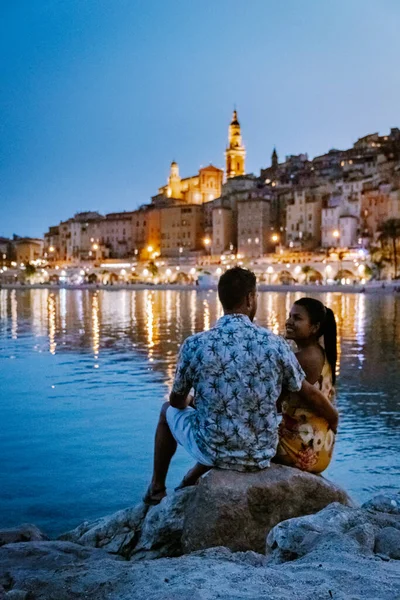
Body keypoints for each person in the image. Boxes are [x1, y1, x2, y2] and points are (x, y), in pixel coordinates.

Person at [143, 267, 339, 504]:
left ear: (221, 298)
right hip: (261, 453)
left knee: (167, 411)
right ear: (249, 299)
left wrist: (190, 402)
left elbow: (176, 401)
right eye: (255, 296)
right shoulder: (276, 344)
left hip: (212, 451)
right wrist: (334, 418)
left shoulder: (194, 344)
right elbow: (308, 393)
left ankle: (156, 489)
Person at [275, 298, 337, 473]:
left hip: (300, 450)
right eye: (289, 316)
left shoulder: (303, 359)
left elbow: (274, 402)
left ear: (314, 328)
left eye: (297, 318)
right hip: (321, 449)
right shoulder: (319, 353)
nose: (289, 322)